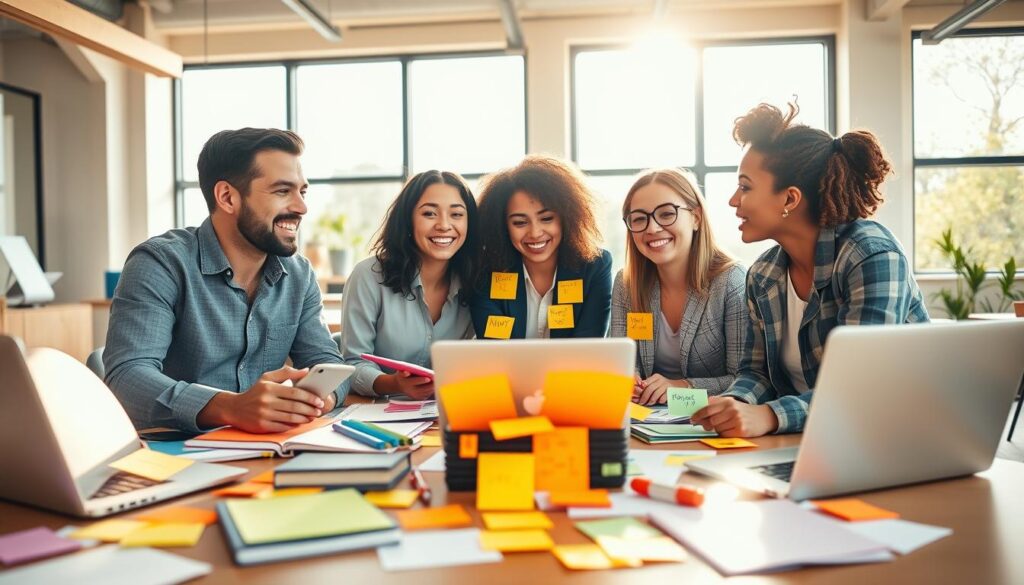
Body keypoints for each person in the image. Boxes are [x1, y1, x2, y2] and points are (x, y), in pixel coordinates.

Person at [691, 103, 929, 437]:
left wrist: (769, 417)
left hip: (895, 436)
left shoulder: (871, 256)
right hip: (816, 439)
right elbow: (755, 374)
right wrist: (732, 407)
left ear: (789, 199)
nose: (733, 200)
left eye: (745, 187)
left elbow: (860, 388)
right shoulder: (763, 274)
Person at [105, 128, 345, 434]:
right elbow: (127, 378)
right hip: (175, 453)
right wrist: (230, 407)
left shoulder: (299, 275)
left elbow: (328, 361)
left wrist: (317, 398)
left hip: (267, 449)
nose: (301, 207)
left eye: (303, 191)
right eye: (283, 191)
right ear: (227, 197)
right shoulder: (160, 264)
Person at [611, 168, 747, 405]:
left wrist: (681, 387)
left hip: (709, 419)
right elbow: (623, 363)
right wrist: (628, 380)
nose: (652, 229)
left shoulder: (731, 281)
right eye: (640, 219)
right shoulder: (627, 284)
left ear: (695, 217)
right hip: (646, 420)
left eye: (666, 214)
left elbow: (744, 380)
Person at [339, 171, 478, 399]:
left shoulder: (476, 282)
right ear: (408, 220)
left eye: (456, 214)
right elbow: (352, 363)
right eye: (429, 213)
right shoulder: (368, 276)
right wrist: (393, 383)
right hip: (379, 412)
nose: (444, 225)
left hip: (442, 412)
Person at [470, 155, 612, 339]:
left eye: (546, 219)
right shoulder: (486, 271)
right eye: (520, 222)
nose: (535, 233)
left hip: (573, 369)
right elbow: (495, 347)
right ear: (502, 226)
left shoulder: (595, 266)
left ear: (567, 218)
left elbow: (588, 346)